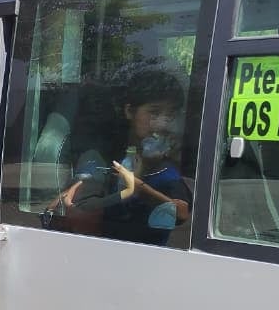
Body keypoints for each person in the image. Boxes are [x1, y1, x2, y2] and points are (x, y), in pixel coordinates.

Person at [69, 69, 192, 245]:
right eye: (154, 113)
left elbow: (181, 213)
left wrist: (138, 185)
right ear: (129, 111)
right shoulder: (104, 158)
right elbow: (82, 207)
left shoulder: (167, 170)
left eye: (169, 115)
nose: (162, 124)